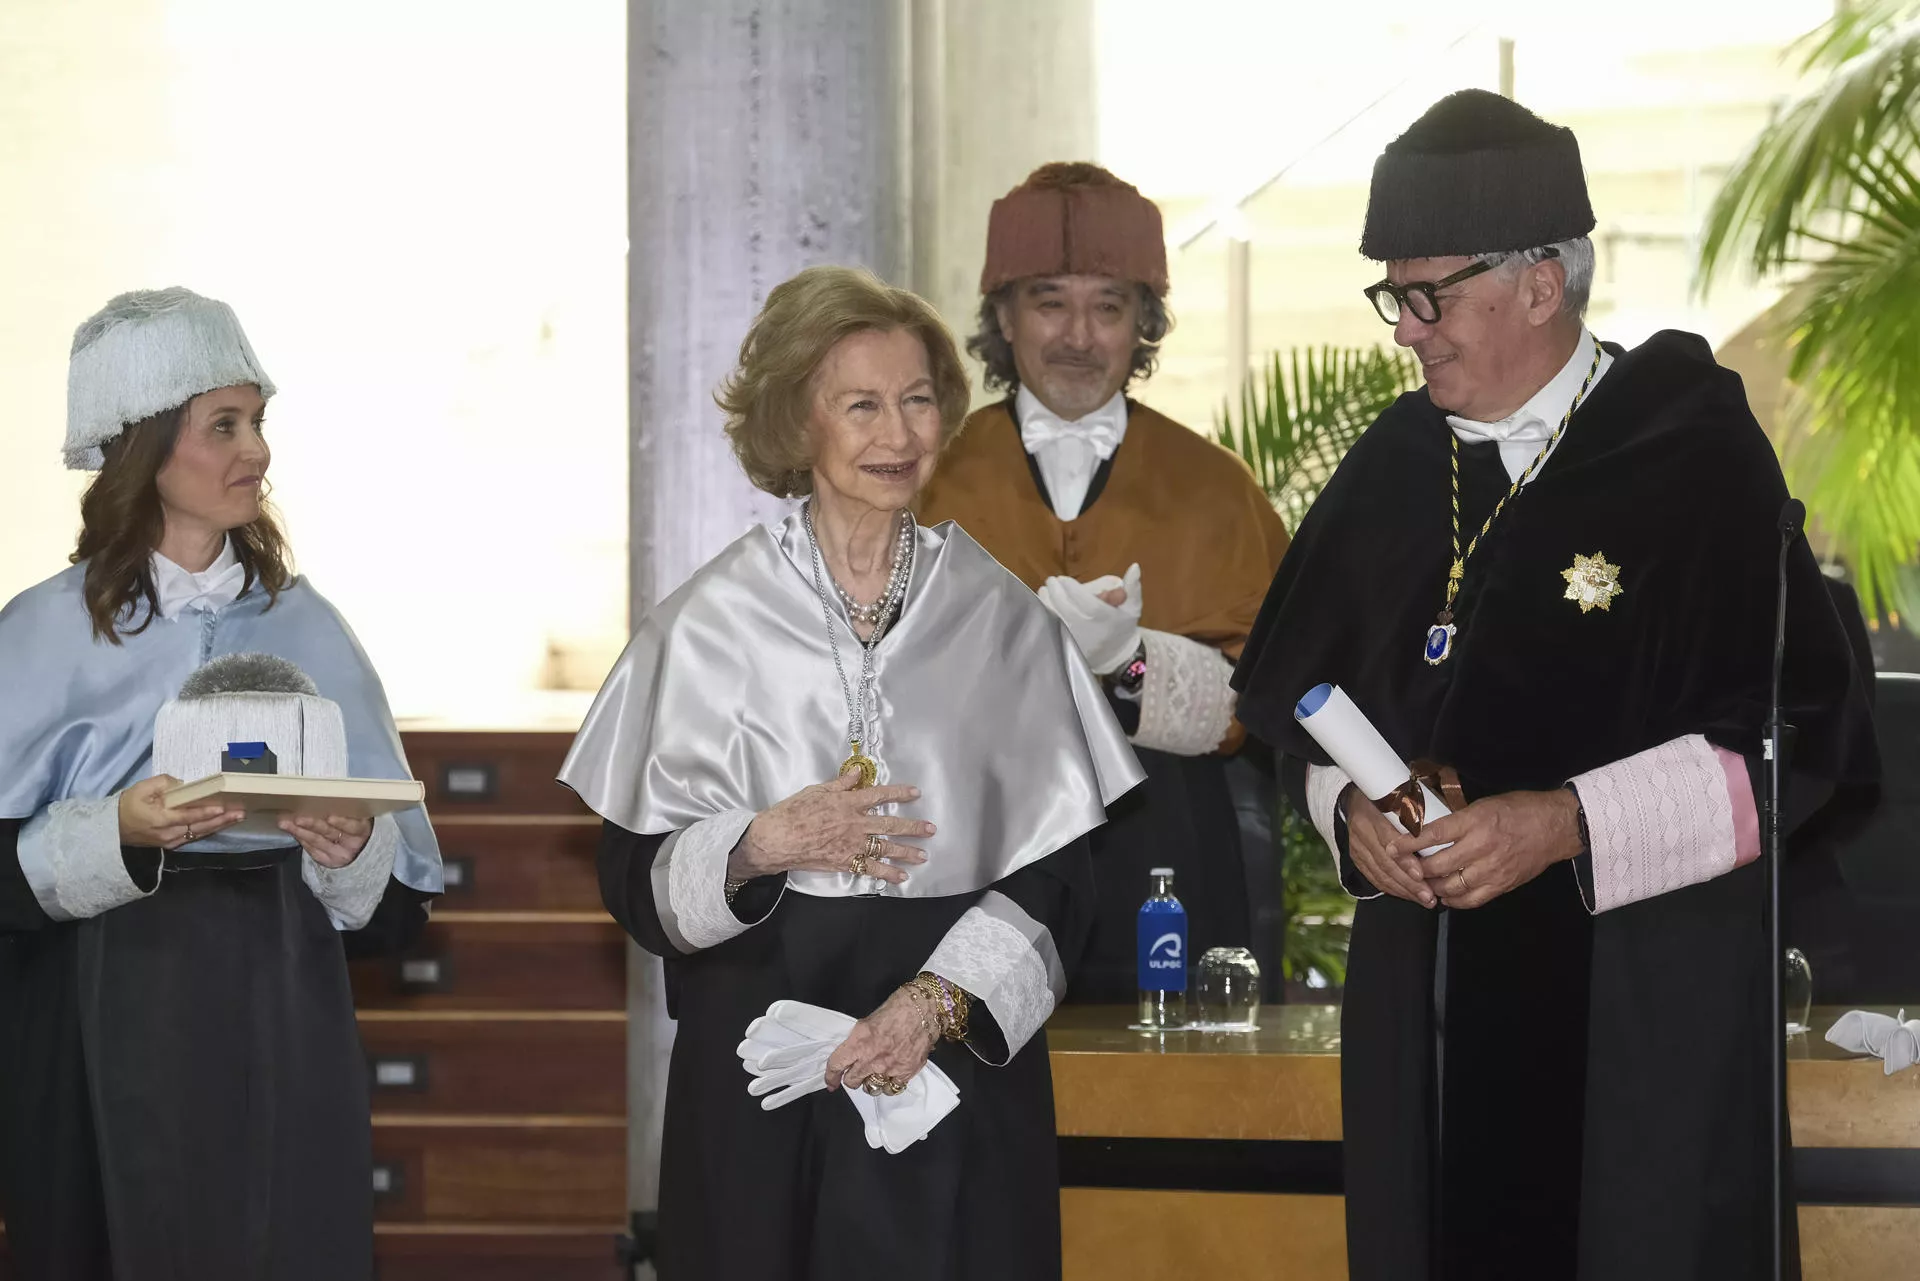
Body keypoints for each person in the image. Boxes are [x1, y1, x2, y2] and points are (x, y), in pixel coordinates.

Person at [1231, 91, 1878, 1281]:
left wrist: (1564, 824)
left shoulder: (1692, 453)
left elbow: (1792, 748)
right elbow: (1293, 708)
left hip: (1633, 1021)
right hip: (1424, 1022)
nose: (1405, 330)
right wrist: (1349, 814)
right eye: (1394, 296)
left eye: (1428, 295)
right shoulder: (1394, 464)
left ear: (1540, 284)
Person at [561, 265, 1141, 1280]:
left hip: (952, 1073)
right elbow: (633, 881)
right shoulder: (705, 626)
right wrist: (763, 843)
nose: (900, 435)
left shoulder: (1001, 618)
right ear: (798, 422)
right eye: (862, 405)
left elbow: (1062, 879)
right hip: (764, 1082)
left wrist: (932, 1005)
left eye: (918, 401)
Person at [0, 288, 443, 1281]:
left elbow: (403, 909)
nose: (257, 451)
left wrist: (351, 850)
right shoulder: (37, 636)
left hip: (278, 1003)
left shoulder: (310, 629)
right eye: (224, 425)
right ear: (143, 449)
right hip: (94, 1008)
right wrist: (115, 829)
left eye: (259, 421)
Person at [915, 162, 1290, 1001]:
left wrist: (1133, 661)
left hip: (1167, 864)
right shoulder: (928, 481)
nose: (1078, 335)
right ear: (1003, 316)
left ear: (1143, 323)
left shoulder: (1217, 489)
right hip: (971, 863)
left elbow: (1262, 701)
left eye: (1108, 306)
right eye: (1050, 301)